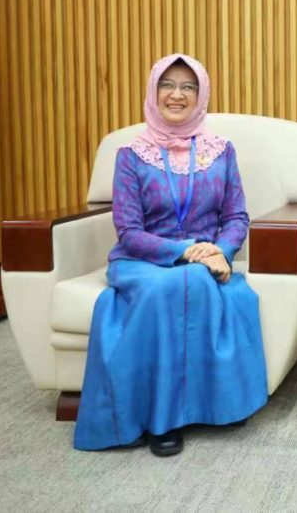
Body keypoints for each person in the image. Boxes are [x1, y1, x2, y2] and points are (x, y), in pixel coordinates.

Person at [73, 54, 268, 456]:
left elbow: (236, 216)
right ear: (153, 91)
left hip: (207, 257)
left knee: (196, 281)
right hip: (142, 260)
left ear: (201, 95)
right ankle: (163, 420)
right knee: (178, 283)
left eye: (188, 87)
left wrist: (222, 251)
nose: (177, 95)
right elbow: (129, 232)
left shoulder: (221, 151)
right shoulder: (130, 155)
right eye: (167, 85)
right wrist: (188, 253)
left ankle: (206, 406)